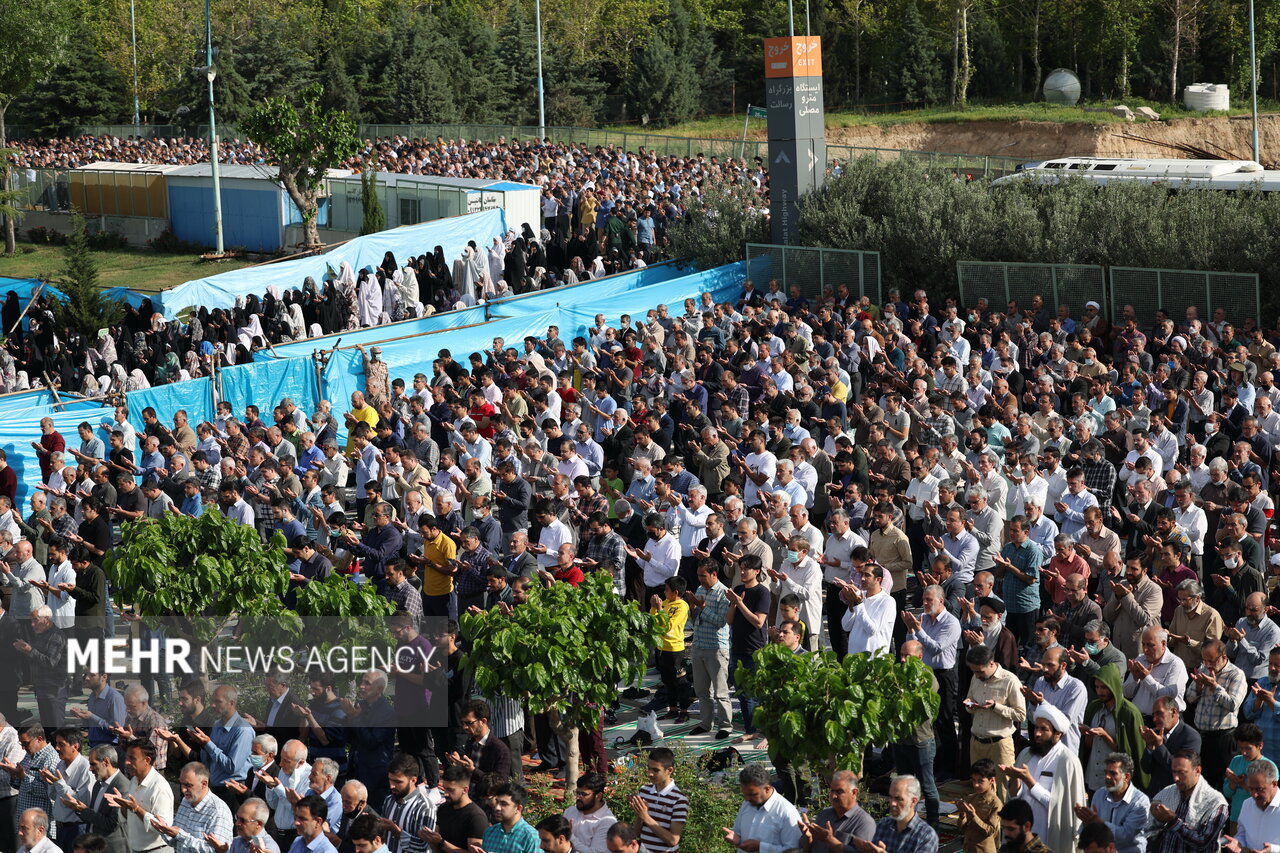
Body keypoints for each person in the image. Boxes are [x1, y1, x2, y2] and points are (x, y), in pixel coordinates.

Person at [1001, 704, 1086, 853]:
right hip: (1021, 838)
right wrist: (1015, 779)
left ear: (1058, 734)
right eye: (1036, 728)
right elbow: (1014, 797)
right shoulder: (1026, 754)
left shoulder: (1067, 761)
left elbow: (1062, 807)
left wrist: (1030, 781)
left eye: (1044, 729)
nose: (1037, 734)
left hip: (1050, 837)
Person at [1146, 750, 1227, 852]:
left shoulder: (1215, 802)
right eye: (1174, 772)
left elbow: (1202, 842)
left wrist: (1173, 821)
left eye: (1181, 772)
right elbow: (1148, 829)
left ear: (1197, 771)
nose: (1176, 778)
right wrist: (1157, 820)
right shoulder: (1166, 794)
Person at [1074, 752, 1150, 853]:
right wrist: (1086, 822)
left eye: (1113, 773)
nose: (1107, 777)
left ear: (1126, 777)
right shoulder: (1100, 794)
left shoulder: (1140, 801)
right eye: (1106, 772)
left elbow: (1125, 836)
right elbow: (1091, 829)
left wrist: (1097, 822)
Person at [724, 763, 801, 853]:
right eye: (744, 794)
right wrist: (736, 837)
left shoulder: (787, 812)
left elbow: (794, 850)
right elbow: (738, 832)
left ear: (767, 789)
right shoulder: (747, 804)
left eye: (752, 794)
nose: (747, 799)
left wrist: (761, 847)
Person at [853, 774, 937, 853]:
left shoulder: (926, 836)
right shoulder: (883, 825)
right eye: (890, 797)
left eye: (898, 799)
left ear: (913, 801)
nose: (892, 803)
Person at [797, 770, 874, 852]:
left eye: (839, 791)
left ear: (854, 792)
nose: (833, 796)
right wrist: (808, 837)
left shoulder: (864, 823)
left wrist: (830, 840)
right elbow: (806, 850)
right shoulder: (824, 814)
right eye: (832, 791)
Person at [629, 747, 685, 853]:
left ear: (669, 770)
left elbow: (673, 840)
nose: (650, 773)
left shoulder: (679, 800)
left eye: (655, 770)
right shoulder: (644, 791)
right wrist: (639, 815)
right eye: (649, 768)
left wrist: (645, 816)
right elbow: (636, 833)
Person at [1224, 760, 1280, 853]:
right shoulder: (1247, 804)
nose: (1254, 795)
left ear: (1274, 784)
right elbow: (1242, 835)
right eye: (1251, 789)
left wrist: (1272, 850)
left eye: (1259, 789)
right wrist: (1237, 843)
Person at [954, 759, 1001, 853]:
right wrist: (962, 813)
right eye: (974, 780)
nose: (976, 785)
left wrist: (973, 816)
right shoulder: (971, 798)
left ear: (992, 780)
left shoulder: (995, 803)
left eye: (980, 781)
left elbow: (990, 831)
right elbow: (962, 828)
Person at [562, 772, 613, 853]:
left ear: (598, 796)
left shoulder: (606, 822)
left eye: (583, 794)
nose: (578, 797)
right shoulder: (570, 811)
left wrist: (570, 836)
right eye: (577, 793)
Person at [479, 782, 538, 853]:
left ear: (518, 808)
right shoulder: (490, 832)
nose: (497, 808)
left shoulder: (530, 837)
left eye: (504, 804)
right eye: (497, 802)